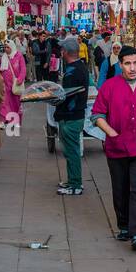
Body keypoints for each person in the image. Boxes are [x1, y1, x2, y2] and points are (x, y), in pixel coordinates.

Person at [91, 46, 136, 251]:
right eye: (128, 63)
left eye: (135, 63)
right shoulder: (110, 87)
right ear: (120, 64)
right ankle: (123, 225)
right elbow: (97, 115)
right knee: (120, 188)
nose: (132, 68)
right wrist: (111, 133)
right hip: (117, 149)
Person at [54, 37, 90, 195]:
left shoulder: (72, 71)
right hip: (74, 115)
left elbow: (66, 96)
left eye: (62, 50)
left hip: (71, 117)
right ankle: (72, 180)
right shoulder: (79, 67)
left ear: (66, 52)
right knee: (71, 151)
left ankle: (75, 185)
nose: (61, 52)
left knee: (72, 152)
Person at [0, 38, 26, 133]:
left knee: (16, 104)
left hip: (16, 85)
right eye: (4, 47)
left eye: (7, 47)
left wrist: (20, 79)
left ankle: (16, 121)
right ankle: (2, 120)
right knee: (4, 103)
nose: (6, 49)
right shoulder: (3, 57)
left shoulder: (18, 56)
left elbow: (23, 69)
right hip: (5, 85)